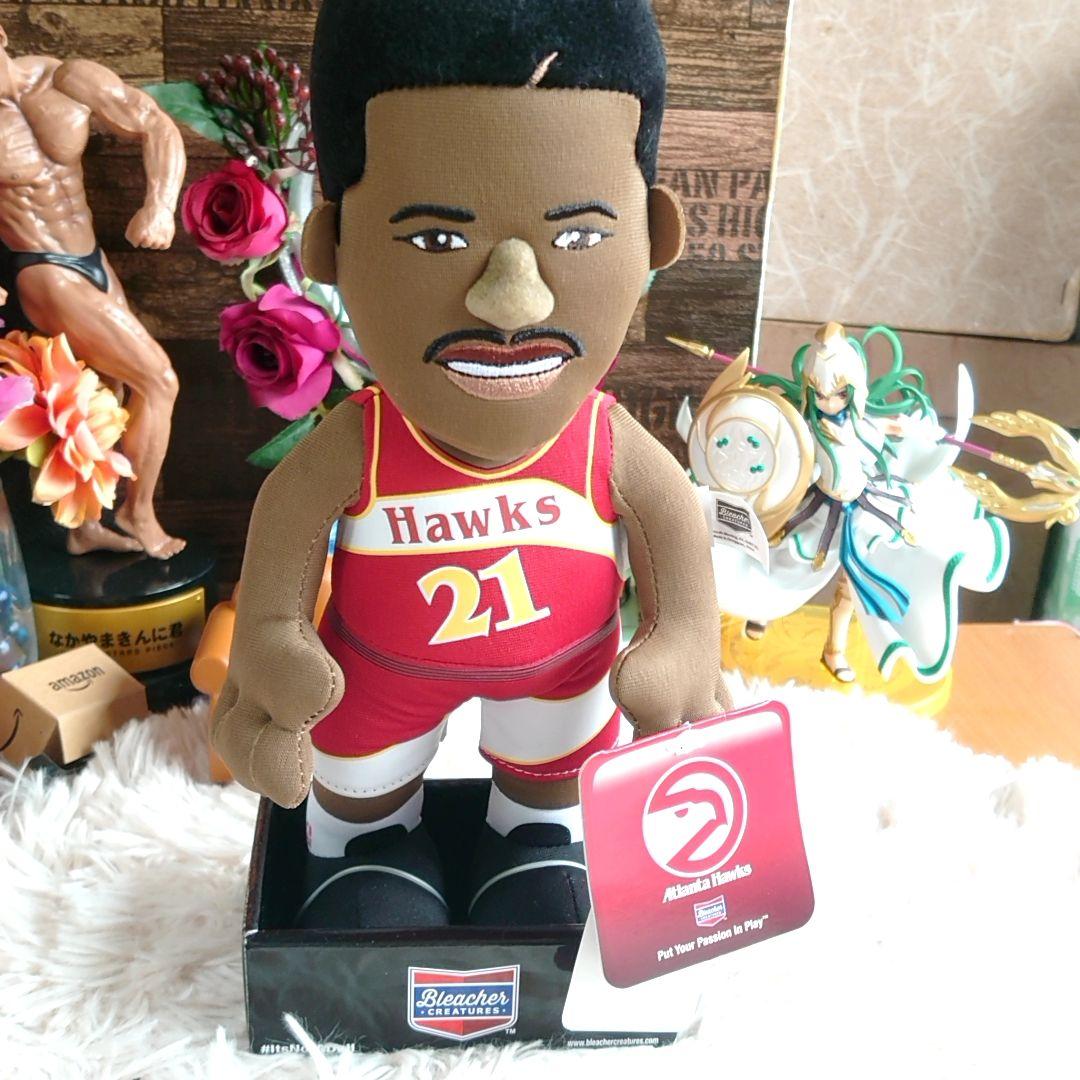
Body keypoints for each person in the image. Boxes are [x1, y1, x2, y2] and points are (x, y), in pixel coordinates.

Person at [213, 0, 732, 930]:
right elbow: (279, 550)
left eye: (579, 237)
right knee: (361, 816)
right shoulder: (361, 442)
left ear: (654, 235)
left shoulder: (605, 440)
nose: (511, 301)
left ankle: (536, 839)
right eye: (435, 240)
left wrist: (686, 644)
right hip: (372, 679)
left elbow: (677, 536)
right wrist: (268, 652)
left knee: (552, 812)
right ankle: (370, 848)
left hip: (564, 680)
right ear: (332, 245)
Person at [716, 322, 1009, 683]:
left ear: (852, 390)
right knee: (785, 560)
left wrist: (923, 432)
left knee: (852, 586)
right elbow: (789, 456)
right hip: (818, 508)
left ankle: (834, 650)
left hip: (861, 509)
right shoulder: (806, 428)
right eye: (819, 393)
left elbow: (895, 430)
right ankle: (762, 611)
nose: (828, 401)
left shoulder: (863, 425)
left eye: (838, 393)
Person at [0, 24, 186, 558]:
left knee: (107, 394)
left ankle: (85, 526)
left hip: (91, 260)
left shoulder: (63, 77)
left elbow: (153, 122)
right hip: (41, 269)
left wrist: (160, 205)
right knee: (158, 380)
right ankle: (137, 512)